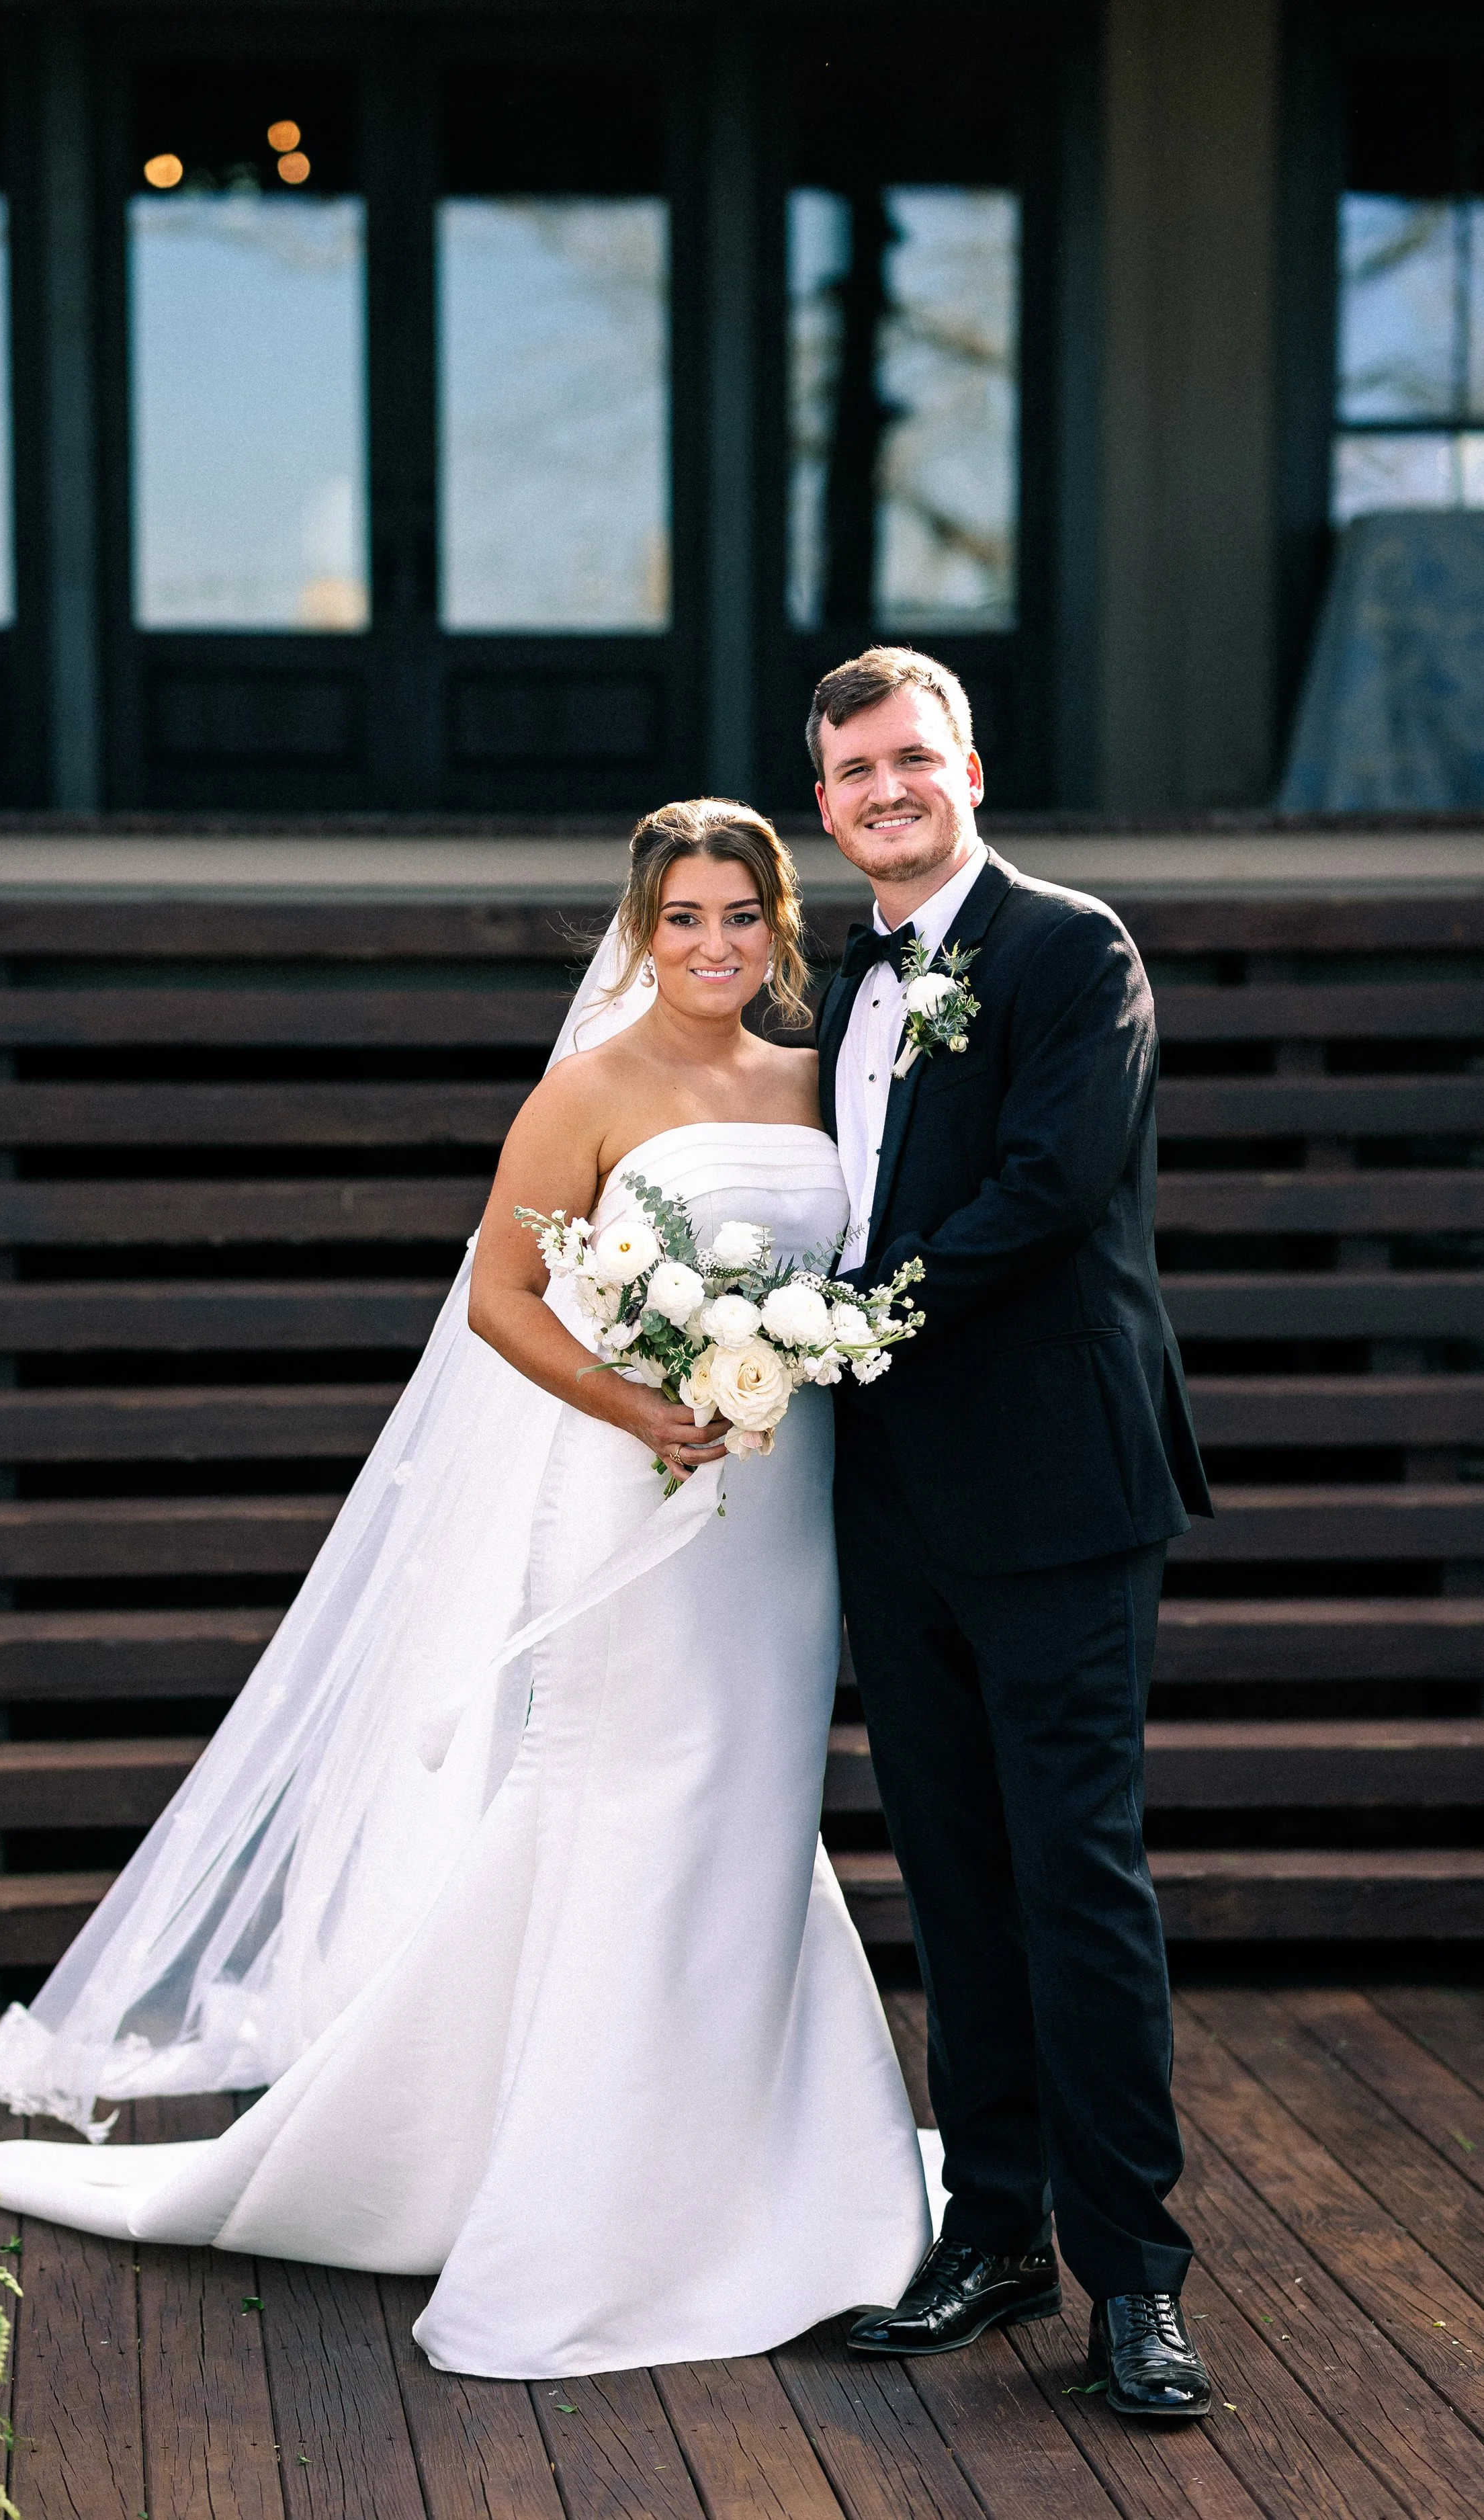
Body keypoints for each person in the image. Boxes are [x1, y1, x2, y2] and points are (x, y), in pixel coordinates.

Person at [0, 798, 930, 2381]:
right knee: (632, 1795)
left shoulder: (817, 1084)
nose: (713, 946)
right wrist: (641, 1403)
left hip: (777, 1503)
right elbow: (502, 1296)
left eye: (741, 916)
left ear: (779, 929)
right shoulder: (588, 1090)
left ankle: (764, 2166)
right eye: (682, 918)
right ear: (640, 927)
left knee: (751, 1802)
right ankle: (581, 2189)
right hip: (633, 1489)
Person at [813, 646, 1216, 2421]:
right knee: (954, 1875)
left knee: (1077, 1879)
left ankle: (1134, 2277)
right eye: (847, 772)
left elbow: (1049, 1188)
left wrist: (849, 1317)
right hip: (889, 1495)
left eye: (909, 756)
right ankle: (993, 2227)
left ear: (968, 767)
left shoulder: (1069, 949)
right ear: (821, 804)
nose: (881, 789)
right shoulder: (843, 975)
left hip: (1052, 1485)